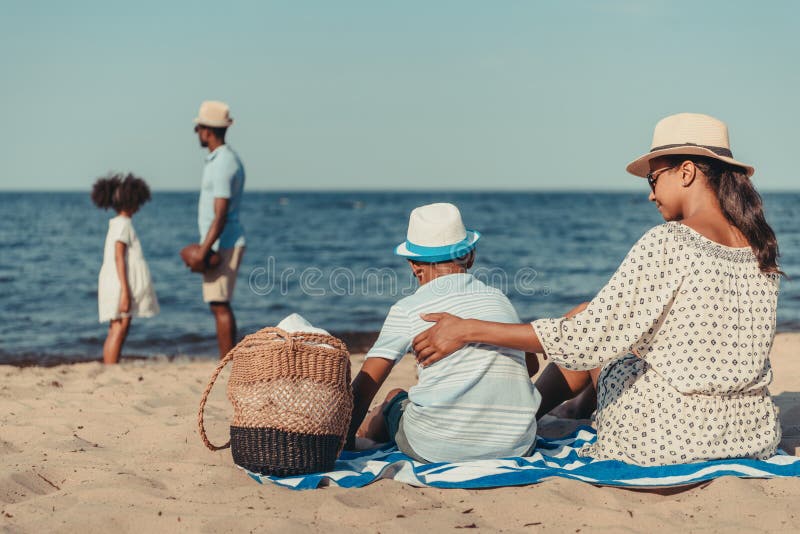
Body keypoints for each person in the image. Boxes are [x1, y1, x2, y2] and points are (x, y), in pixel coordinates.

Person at [412, 113, 783, 466]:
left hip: (673, 437)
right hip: (750, 434)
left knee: (585, 323)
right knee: (603, 326)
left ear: (686, 172)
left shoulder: (670, 241)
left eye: (653, 180)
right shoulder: (759, 245)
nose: (651, 195)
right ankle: (571, 409)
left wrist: (468, 328)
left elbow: (585, 339)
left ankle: (531, 412)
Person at [346, 203, 541, 463]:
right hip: (516, 446)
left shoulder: (408, 309)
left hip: (435, 448)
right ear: (470, 256)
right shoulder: (498, 299)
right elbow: (529, 367)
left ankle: (367, 430)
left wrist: (343, 441)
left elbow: (367, 384)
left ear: (414, 266)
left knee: (394, 398)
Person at [183, 100, 246, 358]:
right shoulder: (220, 160)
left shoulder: (223, 163)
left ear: (208, 130)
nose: (196, 132)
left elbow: (220, 215)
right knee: (218, 304)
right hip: (222, 240)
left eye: (198, 127)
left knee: (220, 304)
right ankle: (227, 361)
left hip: (225, 242)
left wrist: (203, 251)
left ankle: (227, 362)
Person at [92, 173, 159, 364]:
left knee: (118, 326)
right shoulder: (123, 225)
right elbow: (119, 257)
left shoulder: (117, 224)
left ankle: (111, 363)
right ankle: (111, 366)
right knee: (120, 326)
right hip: (119, 283)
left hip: (115, 281)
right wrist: (125, 292)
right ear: (131, 201)